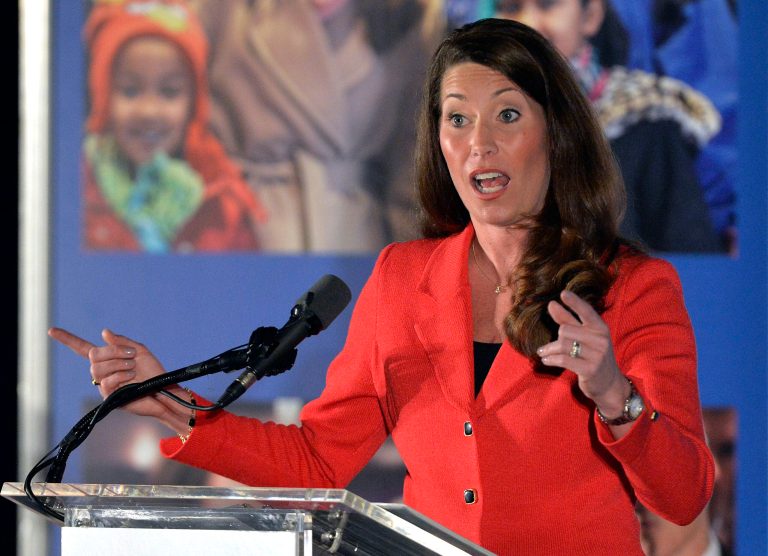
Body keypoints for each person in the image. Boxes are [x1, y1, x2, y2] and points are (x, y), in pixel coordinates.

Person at [50, 18, 714, 555]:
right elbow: (317, 460)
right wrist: (167, 400)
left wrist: (615, 397)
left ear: (556, 132)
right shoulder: (402, 278)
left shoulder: (633, 286)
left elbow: (683, 497)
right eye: (457, 119)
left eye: (507, 116)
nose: (479, 142)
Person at [188, 0, 444, 253]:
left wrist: (415, 268)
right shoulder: (227, 12)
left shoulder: (411, 22)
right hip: (243, 234)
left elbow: (412, 170)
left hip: (355, 241)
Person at [493, 0, 726, 253]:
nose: (528, 24)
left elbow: (694, 268)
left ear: (590, 15)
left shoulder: (647, 121)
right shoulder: (472, 133)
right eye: (511, 8)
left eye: (548, 5)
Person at [82, 0, 267, 253]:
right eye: (130, 90)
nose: (149, 111)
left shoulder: (222, 206)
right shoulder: (78, 188)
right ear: (103, 96)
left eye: (169, 92)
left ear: (195, 105)